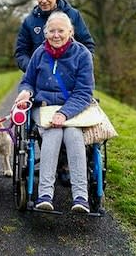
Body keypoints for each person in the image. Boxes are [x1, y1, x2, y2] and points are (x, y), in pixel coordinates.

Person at [15, 11, 94, 213]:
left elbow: (84, 92)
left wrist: (65, 113)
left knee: (73, 134)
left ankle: (80, 198)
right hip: (44, 108)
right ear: (45, 33)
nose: (56, 35)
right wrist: (25, 93)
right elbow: (28, 81)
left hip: (73, 108)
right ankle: (45, 195)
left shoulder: (82, 54)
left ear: (71, 31)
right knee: (53, 132)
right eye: (52, 31)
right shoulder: (39, 54)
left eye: (61, 31)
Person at [14, 0, 95, 73]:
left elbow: (87, 45)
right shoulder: (29, 21)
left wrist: (80, 68)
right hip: (39, 82)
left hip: (70, 79)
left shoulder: (73, 15)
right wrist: (34, 69)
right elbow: (21, 53)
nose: (43, 0)